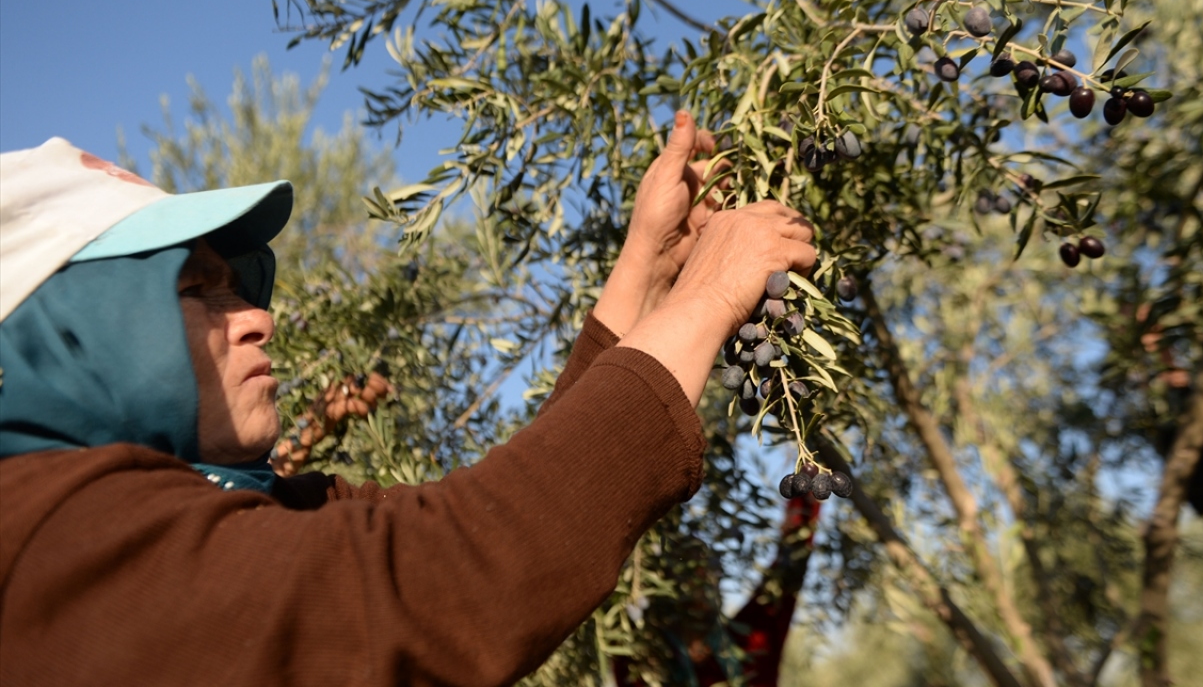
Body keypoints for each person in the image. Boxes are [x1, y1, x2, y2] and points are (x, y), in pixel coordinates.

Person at [0, 111, 815, 686]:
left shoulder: (223, 511)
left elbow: (484, 528)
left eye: (238, 286)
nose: (257, 317)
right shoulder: (44, 541)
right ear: (78, 326)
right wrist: (705, 301)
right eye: (198, 291)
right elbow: (442, 581)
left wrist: (649, 268)